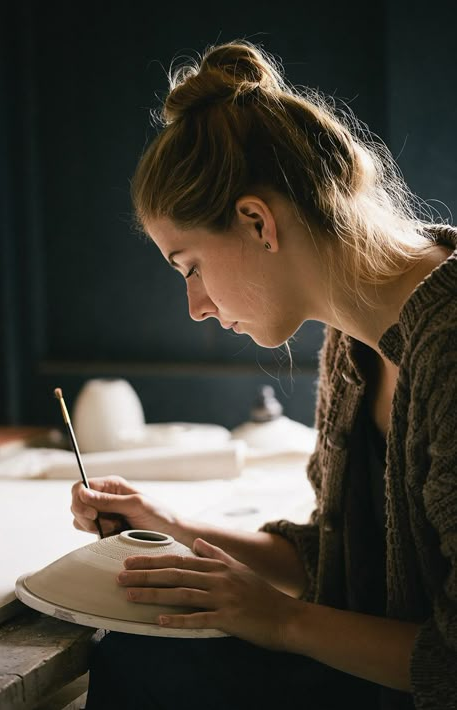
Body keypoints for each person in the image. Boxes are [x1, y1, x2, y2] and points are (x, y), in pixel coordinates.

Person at [71, 41, 457, 709]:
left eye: (189, 266)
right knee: (137, 650)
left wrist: (281, 622)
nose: (195, 307)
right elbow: (342, 561)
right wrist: (173, 524)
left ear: (256, 221)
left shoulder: (448, 349)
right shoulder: (352, 339)